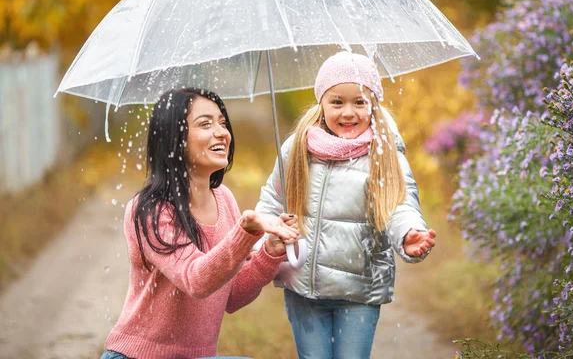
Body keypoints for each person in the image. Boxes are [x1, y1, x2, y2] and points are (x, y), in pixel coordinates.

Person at [256, 51, 437, 359]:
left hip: (359, 291)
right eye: (337, 102)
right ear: (321, 103)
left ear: (373, 105)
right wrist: (266, 234)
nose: (348, 112)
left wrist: (409, 233)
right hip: (304, 287)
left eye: (360, 102)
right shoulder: (297, 147)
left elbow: (399, 203)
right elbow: (272, 199)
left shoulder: (384, 152)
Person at [101, 87, 299, 359]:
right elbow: (196, 280)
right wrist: (245, 233)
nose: (221, 132)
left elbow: (231, 296)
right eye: (205, 124)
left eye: (222, 122)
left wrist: (270, 253)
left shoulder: (224, 198)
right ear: (175, 140)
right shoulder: (150, 210)